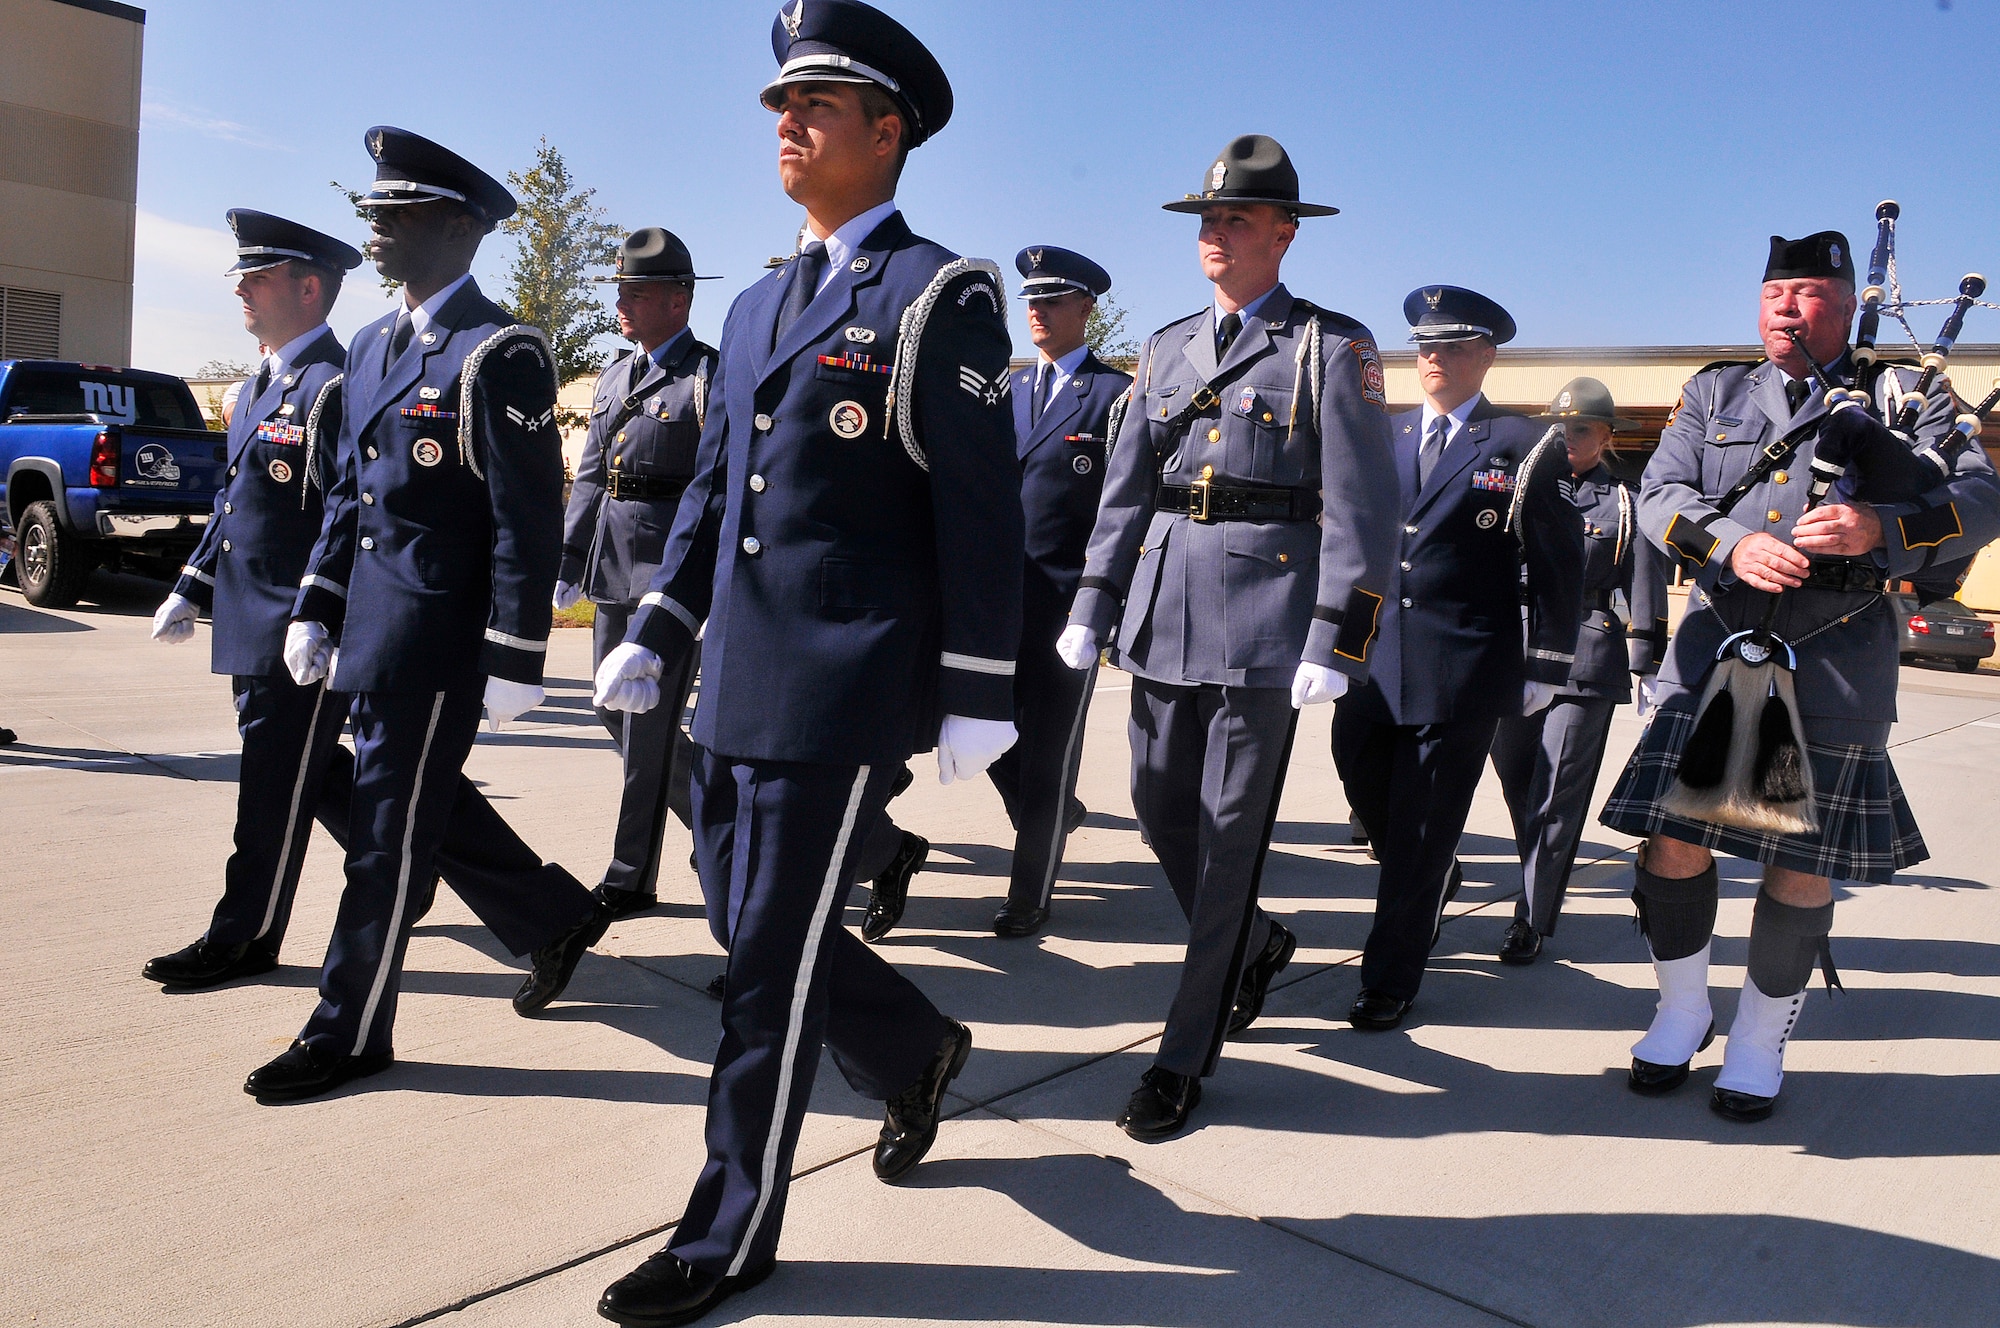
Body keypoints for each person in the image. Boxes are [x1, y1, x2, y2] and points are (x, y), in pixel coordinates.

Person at [588, 5, 1022, 1320]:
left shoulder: (939, 295)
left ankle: (727, 1230)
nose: (787, 122)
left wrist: (980, 691)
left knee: (764, 966)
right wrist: (662, 627)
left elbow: (980, 511)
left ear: (887, 136)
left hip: (845, 682)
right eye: (782, 105)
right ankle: (916, 1047)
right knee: (738, 918)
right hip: (739, 678)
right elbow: (717, 491)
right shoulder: (765, 298)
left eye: (818, 106)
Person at [1601, 231, 2000, 1120]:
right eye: (1775, 289)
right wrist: (1733, 544)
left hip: (1837, 653)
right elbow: (1664, 493)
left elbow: (1980, 501)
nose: (1785, 305)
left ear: (1848, 307)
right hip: (1715, 644)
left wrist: (1878, 530)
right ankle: (1682, 1008)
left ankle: (1759, 1035)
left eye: (1808, 292)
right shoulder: (1716, 391)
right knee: (1673, 839)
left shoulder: (1910, 397)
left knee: (1799, 859)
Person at [247, 127, 607, 1102]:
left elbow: (523, 518)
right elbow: (349, 500)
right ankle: (550, 916)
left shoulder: (500, 352)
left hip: (442, 640)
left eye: (394, 212)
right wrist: (317, 604)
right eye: (370, 211)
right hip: (369, 632)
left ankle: (349, 1031)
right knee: (410, 810)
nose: (373, 227)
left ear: (457, 226)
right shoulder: (369, 346)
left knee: (383, 841)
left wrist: (515, 656)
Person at [1058, 134, 1399, 1141]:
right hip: (1162, 609)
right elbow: (1124, 492)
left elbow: (1362, 511)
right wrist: (1090, 602)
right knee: (1156, 804)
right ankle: (1252, 941)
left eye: (1235, 220)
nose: (1214, 234)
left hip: (1267, 622)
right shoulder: (1163, 348)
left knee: (1225, 841)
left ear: (1282, 235)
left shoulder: (1328, 348)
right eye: (1206, 219)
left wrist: (1338, 643)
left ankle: (1181, 1054)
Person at [1331, 286, 1584, 1031]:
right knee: (1362, 779)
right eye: (1425, 344)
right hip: (1372, 660)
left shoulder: (1520, 441)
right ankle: (1434, 876)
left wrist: (1547, 663)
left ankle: (1390, 976)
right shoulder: (1385, 433)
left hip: (1462, 669)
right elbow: (1357, 546)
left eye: (1452, 345)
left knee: (1421, 826)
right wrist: (1335, 647)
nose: (1433, 356)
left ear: (1486, 354)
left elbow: (1559, 561)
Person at [556, 228, 720, 920]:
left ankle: (630, 876)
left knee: (647, 729)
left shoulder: (708, 377)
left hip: (669, 576)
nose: (622, 303)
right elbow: (592, 476)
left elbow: (715, 488)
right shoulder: (616, 376)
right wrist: (567, 562)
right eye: (619, 290)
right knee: (608, 708)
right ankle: (724, 825)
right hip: (613, 567)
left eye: (638, 291)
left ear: (678, 301)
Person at [1488, 377, 1669, 964]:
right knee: (1521, 787)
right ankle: (1540, 880)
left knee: (1555, 794)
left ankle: (1533, 917)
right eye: (1560, 426)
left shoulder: (1625, 501)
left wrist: (1647, 663)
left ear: (1607, 435)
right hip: (1510, 652)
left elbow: (1644, 585)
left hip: (1584, 660)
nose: (1569, 437)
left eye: (1583, 428)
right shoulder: (1522, 486)